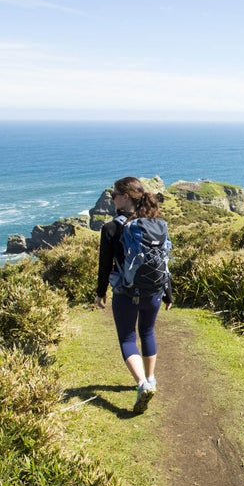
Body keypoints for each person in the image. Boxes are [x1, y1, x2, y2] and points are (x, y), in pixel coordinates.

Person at [96, 176, 173, 414]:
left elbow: (105, 265)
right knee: (147, 332)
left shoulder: (111, 228)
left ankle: (142, 384)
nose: (112, 199)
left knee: (128, 339)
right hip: (154, 291)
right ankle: (151, 379)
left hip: (125, 292)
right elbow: (164, 260)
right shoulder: (156, 224)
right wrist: (168, 292)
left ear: (125, 196)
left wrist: (100, 293)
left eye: (114, 195)